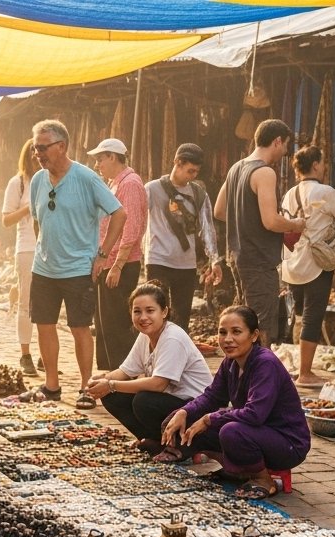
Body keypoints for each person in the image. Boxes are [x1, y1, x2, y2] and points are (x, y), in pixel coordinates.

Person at [23, 119, 125, 409]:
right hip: (44, 268)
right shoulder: (38, 181)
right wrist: (42, 247)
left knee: (80, 327)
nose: (38, 154)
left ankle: (85, 387)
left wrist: (103, 255)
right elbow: (36, 219)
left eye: (43, 148)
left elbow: (119, 214)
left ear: (62, 146)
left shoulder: (86, 178)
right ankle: (52, 385)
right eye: (35, 148)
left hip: (79, 267)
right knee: (44, 325)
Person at [161, 305, 310, 499]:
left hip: (287, 442)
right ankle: (237, 470)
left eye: (236, 332)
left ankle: (263, 479)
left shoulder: (265, 363)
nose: (228, 339)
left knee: (231, 431)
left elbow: (255, 414)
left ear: (254, 335)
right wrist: (184, 412)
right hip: (257, 432)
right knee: (183, 419)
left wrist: (209, 419)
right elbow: (212, 396)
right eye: (223, 332)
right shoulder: (230, 362)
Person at [85, 281, 211, 461]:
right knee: (112, 396)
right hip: (172, 404)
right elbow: (125, 371)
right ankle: (157, 441)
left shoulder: (173, 338)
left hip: (194, 408)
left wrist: (111, 384)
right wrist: (100, 380)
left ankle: (183, 446)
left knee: (144, 400)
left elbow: (159, 384)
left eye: (150, 311)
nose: (143, 317)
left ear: (164, 312)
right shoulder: (145, 336)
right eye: (137, 311)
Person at [217, 119, 306, 346]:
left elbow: (219, 211)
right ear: (276, 141)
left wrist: (245, 219)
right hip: (258, 260)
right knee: (261, 327)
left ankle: (243, 378)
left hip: (237, 258)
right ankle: (259, 378)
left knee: (243, 325)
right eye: (285, 145)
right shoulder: (264, 172)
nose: (285, 151)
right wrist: (295, 224)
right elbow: (270, 221)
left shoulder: (236, 168)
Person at [281, 145, 335, 387]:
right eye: (322, 163)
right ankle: (305, 373)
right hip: (316, 263)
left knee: (299, 314)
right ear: (314, 165)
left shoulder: (289, 193)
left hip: (292, 262)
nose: (324, 167)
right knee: (313, 316)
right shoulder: (325, 191)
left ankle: (293, 367)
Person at [145, 143, 218, 333]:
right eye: (190, 171)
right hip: (157, 260)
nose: (192, 176)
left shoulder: (198, 193)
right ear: (177, 162)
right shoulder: (152, 189)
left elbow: (207, 228)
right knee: (155, 316)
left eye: (196, 172)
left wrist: (214, 260)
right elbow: (135, 220)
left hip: (186, 264)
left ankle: (176, 359)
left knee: (181, 319)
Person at [88, 137, 144, 372]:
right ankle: (109, 373)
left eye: (101, 159)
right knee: (104, 324)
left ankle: (121, 375)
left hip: (121, 264)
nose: (98, 164)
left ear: (113, 157)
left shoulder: (130, 183)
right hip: (108, 261)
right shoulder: (114, 183)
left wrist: (118, 265)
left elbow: (131, 228)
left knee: (117, 324)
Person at [1, 138, 38, 376]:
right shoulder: (18, 184)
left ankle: (47, 355)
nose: (38, 157)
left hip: (53, 250)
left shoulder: (57, 180)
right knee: (25, 303)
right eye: (34, 153)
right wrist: (30, 207)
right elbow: (6, 219)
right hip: (27, 248)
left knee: (49, 307)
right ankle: (25, 354)